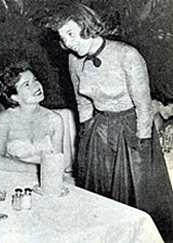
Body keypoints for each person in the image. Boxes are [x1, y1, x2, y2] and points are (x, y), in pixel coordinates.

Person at [45, 2, 173, 241]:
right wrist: (85, 139)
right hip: (99, 130)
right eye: (63, 37)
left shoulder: (127, 55)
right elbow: (83, 103)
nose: (68, 43)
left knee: (136, 197)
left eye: (71, 33)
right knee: (97, 198)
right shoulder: (74, 60)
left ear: (87, 26)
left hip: (131, 130)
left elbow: (143, 107)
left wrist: (141, 148)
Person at [0, 61, 64, 173]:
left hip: (47, 179)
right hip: (13, 178)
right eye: (26, 84)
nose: (36, 86)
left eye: (35, 80)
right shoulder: (6, 118)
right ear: (15, 97)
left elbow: (57, 161)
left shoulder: (54, 119)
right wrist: (38, 170)